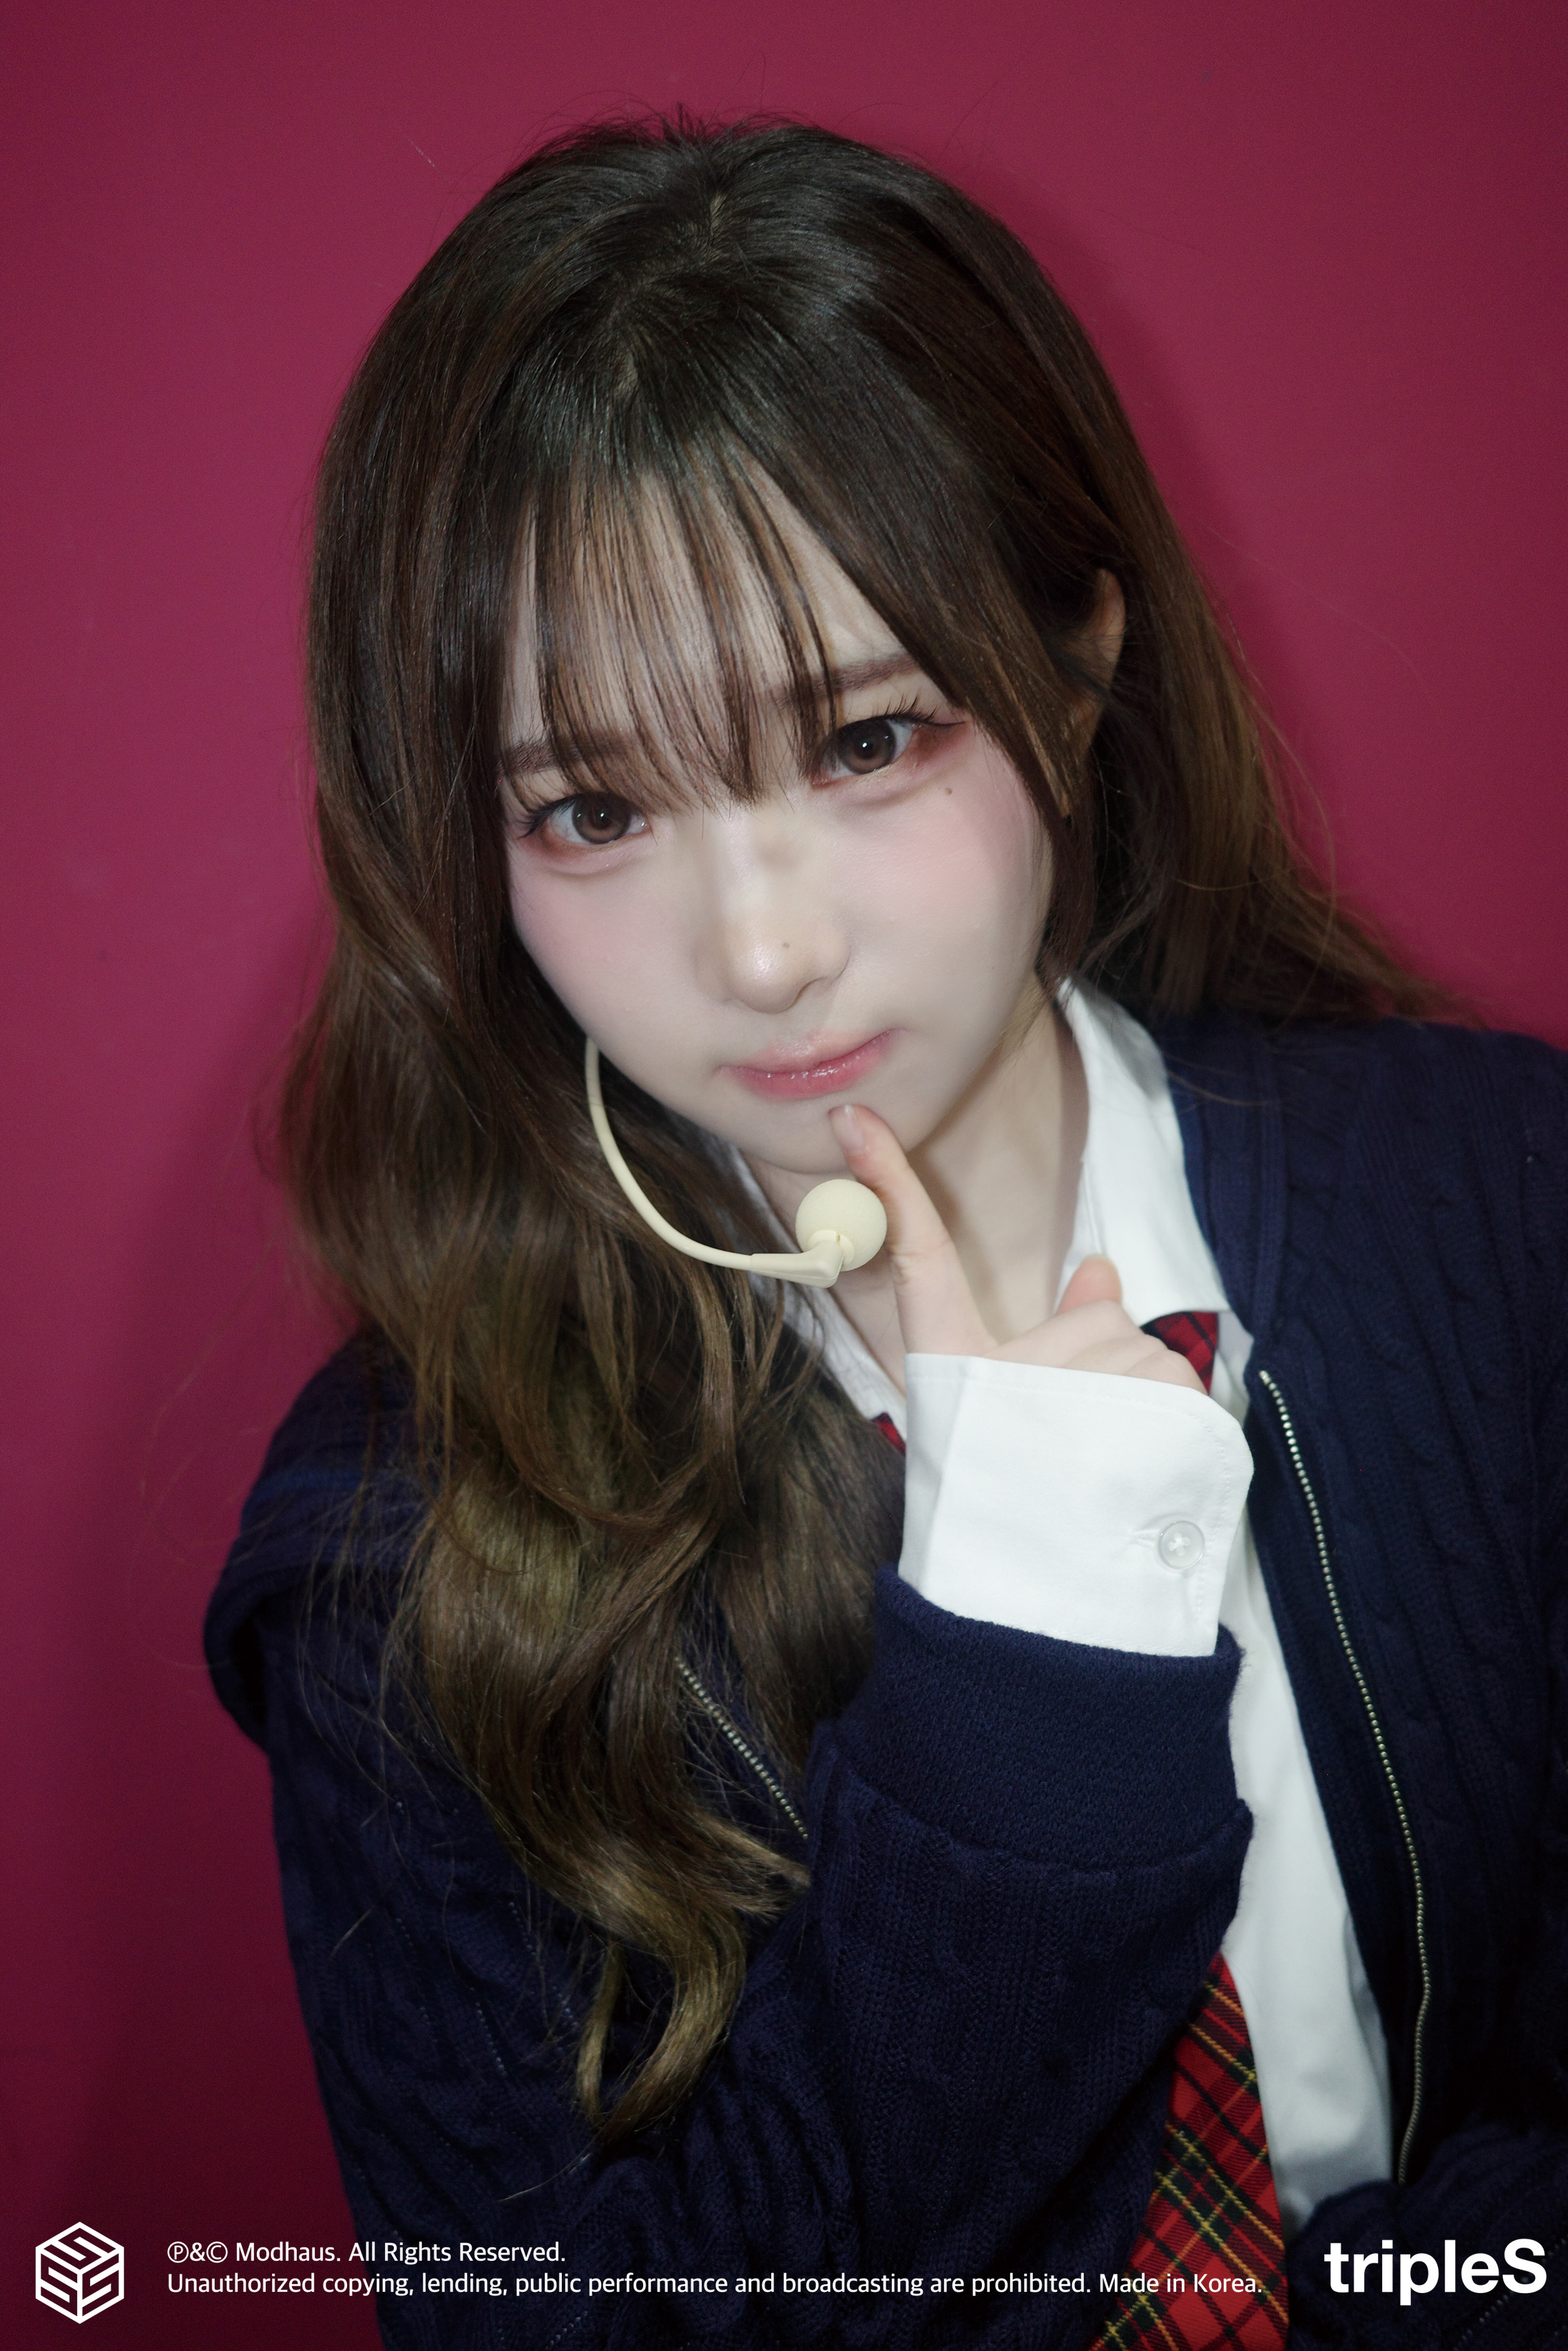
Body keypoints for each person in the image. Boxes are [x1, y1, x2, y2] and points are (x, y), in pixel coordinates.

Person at [204, 115, 1568, 2348]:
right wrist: (1028, 1652)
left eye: (864, 739)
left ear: (1080, 664)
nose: (762, 952)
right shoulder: (397, 1550)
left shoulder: (1501, 1206)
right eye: (595, 807)